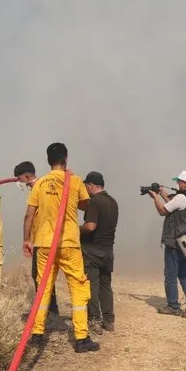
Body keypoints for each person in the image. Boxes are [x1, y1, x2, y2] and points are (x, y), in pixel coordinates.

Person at [23, 142, 100, 353]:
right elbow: (85, 204)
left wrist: (27, 240)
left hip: (44, 244)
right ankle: (81, 338)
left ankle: (37, 334)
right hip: (68, 244)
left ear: (48, 160)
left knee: (44, 288)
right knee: (78, 288)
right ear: (66, 157)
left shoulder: (39, 184)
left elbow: (30, 214)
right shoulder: (74, 181)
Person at [148, 170, 186, 318]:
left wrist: (154, 197)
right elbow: (175, 204)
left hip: (175, 242)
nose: (177, 184)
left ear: (185, 183)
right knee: (185, 275)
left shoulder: (181, 198)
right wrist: (161, 192)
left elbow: (163, 210)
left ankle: (173, 306)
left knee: (171, 275)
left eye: (179, 182)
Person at [13, 161, 60, 318]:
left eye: (20, 179)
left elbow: (29, 216)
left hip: (43, 241)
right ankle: (51, 310)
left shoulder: (38, 188)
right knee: (46, 277)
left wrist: (26, 239)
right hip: (52, 238)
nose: (19, 183)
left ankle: (45, 313)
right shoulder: (48, 186)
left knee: (40, 277)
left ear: (27, 176)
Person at [80, 171, 119, 334]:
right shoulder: (113, 202)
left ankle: (94, 320)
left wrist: (74, 230)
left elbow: (90, 226)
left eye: (86, 186)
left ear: (91, 185)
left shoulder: (94, 202)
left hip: (92, 251)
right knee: (105, 285)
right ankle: (109, 320)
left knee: (91, 286)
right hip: (108, 251)